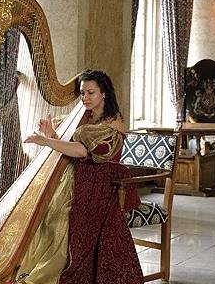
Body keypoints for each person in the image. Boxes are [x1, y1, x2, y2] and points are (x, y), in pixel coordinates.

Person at [16, 69, 143, 284]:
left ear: (104, 94)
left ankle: (62, 272)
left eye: (91, 93)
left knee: (62, 216)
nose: (85, 98)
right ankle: (44, 267)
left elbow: (82, 151)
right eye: (82, 93)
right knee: (49, 215)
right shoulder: (86, 116)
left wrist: (47, 141)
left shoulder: (114, 121)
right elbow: (71, 148)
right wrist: (51, 135)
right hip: (81, 177)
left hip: (101, 183)